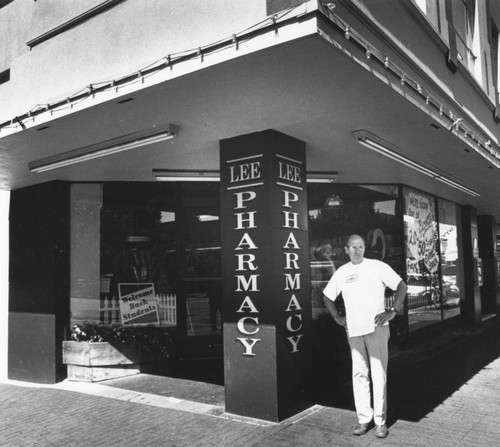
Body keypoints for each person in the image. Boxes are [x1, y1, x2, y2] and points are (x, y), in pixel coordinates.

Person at [322, 234, 407, 439]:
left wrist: (393, 310)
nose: (357, 250)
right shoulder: (342, 272)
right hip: (354, 330)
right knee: (359, 374)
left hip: (377, 329)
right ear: (346, 249)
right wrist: (337, 317)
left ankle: (380, 422)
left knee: (378, 374)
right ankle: (363, 419)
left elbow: (401, 286)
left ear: (365, 248)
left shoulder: (377, 266)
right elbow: (327, 296)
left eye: (360, 246)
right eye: (353, 247)